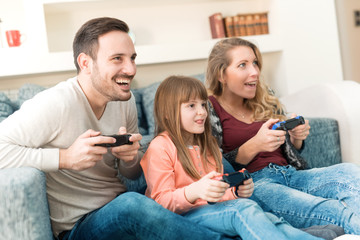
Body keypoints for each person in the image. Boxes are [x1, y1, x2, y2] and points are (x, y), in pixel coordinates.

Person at [0, 17, 236, 240]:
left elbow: (131, 174)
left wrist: (129, 160)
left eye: (132, 58)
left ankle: (235, 215)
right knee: (131, 205)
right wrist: (65, 158)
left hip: (121, 200)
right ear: (85, 63)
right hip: (81, 225)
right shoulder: (56, 103)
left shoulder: (125, 100)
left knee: (205, 161)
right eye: (117, 59)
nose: (131, 69)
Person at [205, 37, 360, 235]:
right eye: (242, 65)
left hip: (291, 174)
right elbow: (211, 165)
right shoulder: (207, 109)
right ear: (221, 74)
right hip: (257, 185)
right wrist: (255, 144)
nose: (254, 72)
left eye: (255, 63)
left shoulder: (264, 98)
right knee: (336, 211)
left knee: (352, 173)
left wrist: (297, 137)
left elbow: (289, 151)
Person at [141, 75, 324, 240]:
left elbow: (217, 194)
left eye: (203, 105)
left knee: (263, 214)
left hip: (211, 211)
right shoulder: (161, 147)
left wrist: (235, 192)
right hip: (180, 218)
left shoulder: (208, 145)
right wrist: (194, 191)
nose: (202, 112)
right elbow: (160, 204)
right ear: (168, 113)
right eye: (191, 105)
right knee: (243, 210)